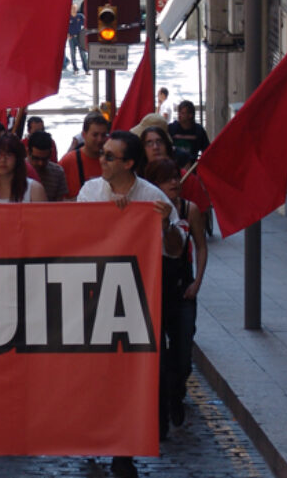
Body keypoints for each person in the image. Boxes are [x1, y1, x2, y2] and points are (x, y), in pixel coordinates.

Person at [75, 131, 185, 476]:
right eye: (102, 154)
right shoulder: (90, 191)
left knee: (131, 376)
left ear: (128, 164)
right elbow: (76, 237)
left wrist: (164, 221)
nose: (101, 160)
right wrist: (111, 217)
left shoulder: (151, 197)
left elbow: (176, 248)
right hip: (94, 296)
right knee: (97, 375)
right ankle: (96, 434)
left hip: (138, 300)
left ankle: (124, 449)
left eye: (110, 157)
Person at [144, 157, 207, 427]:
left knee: (182, 354)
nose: (174, 183)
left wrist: (197, 282)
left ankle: (176, 393)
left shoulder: (188, 209)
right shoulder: (143, 210)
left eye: (176, 177)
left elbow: (200, 246)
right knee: (157, 356)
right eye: (167, 179)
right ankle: (162, 406)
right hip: (154, 292)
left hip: (181, 291)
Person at [59, 111, 109, 200]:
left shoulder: (114, 161)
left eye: (103, 135)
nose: (100, 140)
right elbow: (57, 199)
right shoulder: (68, 161)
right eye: (95, 135)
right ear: (84, 135)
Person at [27, 130, 68, 201]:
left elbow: (59, 204)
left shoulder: (58, 173)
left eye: (45, 159)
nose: (41, 163)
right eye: (36, 158)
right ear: (28, 152)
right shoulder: (16, 169)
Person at [67, 3, 89, 74]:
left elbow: (86, 25)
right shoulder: (67, 17)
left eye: (74, 8)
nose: (73, 10)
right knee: (73, 54)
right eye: (72, 8)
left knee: (83, 53)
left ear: (77, 9)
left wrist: (84, 34)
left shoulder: (80, 16)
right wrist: (67, 35)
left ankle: (86, 69)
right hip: (71, 37)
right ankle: (75, 69)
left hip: (80, 37)